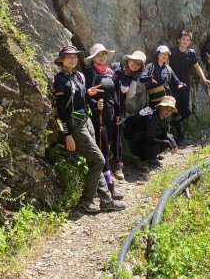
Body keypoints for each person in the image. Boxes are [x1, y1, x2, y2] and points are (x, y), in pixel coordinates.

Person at [52, 45, 125, 214]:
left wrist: (92, 100)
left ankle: (106, 200)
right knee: (99, 159)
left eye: (75, 56)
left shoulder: (78, 76)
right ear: (62, 60)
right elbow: (61, 108)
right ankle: (86, 200)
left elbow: (82, 99)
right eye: (68, 56)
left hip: (86, 120)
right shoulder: (60, 80)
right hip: (74, 123)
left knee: (96, 160)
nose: (72, 59)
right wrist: (67, 134)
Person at [83, 43, 123, 199]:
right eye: (98, 55)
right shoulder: (89, 73)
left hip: (111, 115)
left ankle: (105, 184)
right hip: (97, 116)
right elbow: (84, 95)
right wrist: (94, 104)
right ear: (93, 58)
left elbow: (115, 95)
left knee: (108, 147)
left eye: (104, 54)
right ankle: (108, 186)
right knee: (103, 150)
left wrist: (118, 113)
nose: (102, 57)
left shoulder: (111, 72)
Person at [109, 50, 147, 180]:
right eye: (133, 61)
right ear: (128, 60)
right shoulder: (115, 67)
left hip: (119, 108)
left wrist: (134, 80)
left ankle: (118, 163)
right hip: (107, 105)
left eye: (138, 64)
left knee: (117, 134)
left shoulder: (132, 76)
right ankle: (105, 165)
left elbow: (130, 95)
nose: (135, 65)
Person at [169, 30, 210, 144]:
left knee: (187, 111)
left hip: (185, 86)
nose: (185, 42)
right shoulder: (172, 52)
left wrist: (204, 79)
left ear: (190, 41)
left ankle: (172, 124)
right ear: (179, 40)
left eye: (188, 40)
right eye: (183, 39)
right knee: (174, 110)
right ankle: (180, 135)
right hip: (173, 86)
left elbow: (197, 68)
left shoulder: (191, 53)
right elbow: (166, 67)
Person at [128, 95, 178, 162]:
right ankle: (145, 159)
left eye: (171, 109)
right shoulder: (152, 118)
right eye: (166, 107)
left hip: (147, 141)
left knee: (170, 137)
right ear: (160, 107)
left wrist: (173, 144)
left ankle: (152, 157)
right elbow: (149, 139)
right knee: (157, 146)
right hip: (137, 145)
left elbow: (165, 133)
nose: (168, 111)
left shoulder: (164, 117)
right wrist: (167, 142)